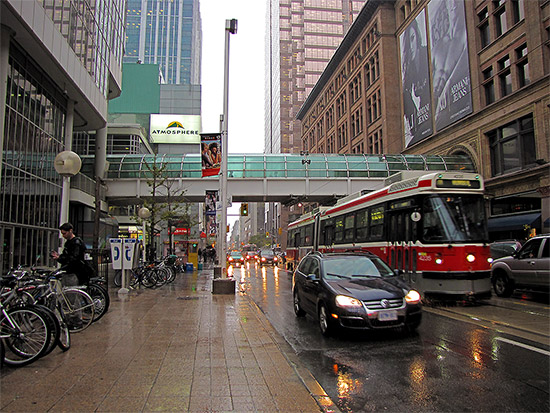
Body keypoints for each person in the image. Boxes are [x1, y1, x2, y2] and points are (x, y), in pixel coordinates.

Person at [401, 15, 432, 147]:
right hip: (420, 134)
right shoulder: (406, 81)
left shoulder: (429, 55)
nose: (411, 47)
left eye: (413, 39)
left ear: (418, 38)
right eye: (408, 44)